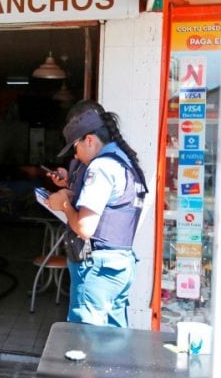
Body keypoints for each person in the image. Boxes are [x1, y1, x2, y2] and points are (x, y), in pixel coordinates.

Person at [45, 102, 148, 328]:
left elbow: (85, 228)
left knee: (87, 342)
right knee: (114, 342)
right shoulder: (125, 160)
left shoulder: (101, 167)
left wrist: (64, 205)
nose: (75, 153)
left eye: (76, 146)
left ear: (89, 140)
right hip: (119, 263)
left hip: (97, 269)